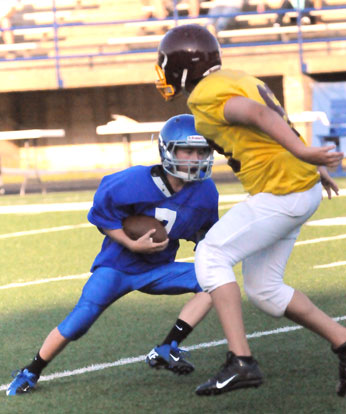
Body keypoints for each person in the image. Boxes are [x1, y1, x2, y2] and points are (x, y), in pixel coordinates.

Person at [154, 24, 346, 397]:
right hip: (295, 187)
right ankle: (343, 343)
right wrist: (311, 164)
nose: (161, 71)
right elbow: (274, 120)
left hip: (282, 192)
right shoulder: (236, 77)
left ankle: (241, 361)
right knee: (265, 289)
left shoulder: (205, 95)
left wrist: (307, 155)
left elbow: (259, 115)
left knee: (211, 253)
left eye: (165, 63)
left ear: (180, 65)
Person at [6, 114, 219, 396]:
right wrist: (130, 244)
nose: (194, 158)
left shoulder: (205, 192)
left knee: (215, 282)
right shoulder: (132, 181)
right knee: (79, 321)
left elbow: (204, 234)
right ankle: (31, 371)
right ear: (167, 150)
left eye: (201, 151)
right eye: (187, 150)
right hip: (118, 266)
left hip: (158, 268)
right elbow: (101, 216)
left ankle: (168, 347)